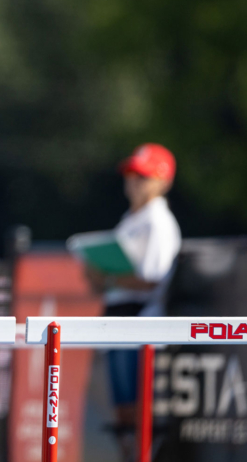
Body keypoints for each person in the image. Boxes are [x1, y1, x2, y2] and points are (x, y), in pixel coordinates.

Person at [86, 143, 181, 462]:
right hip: (120, 317)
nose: (133, 182)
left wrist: (109, 278)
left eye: (142, 176)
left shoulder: (158, 222)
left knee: (137, 407)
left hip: (141, 321)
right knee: (123, 409)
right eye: (130, 175)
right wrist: (98, 276)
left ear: (162, 181)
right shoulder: (130, 219)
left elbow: (153, 278)